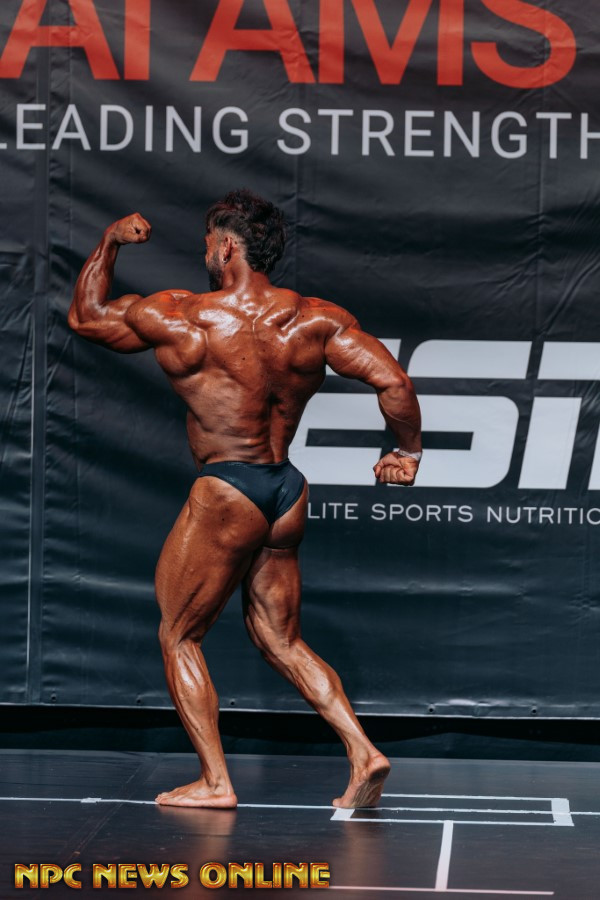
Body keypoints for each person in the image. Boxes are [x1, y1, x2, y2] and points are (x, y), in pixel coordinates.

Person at [68, 189, 422, 809]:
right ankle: (364, 751)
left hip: (226, 489)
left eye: (209, 242)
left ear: (227, 246)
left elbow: (87, 318)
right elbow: (392, 380)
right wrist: (407, 453)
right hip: (285, 489)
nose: (205, 252)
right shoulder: (316, 318)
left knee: (179, 635)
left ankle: (215, 782)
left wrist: (110, 241)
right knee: (282, 640)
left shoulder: (184, 315)